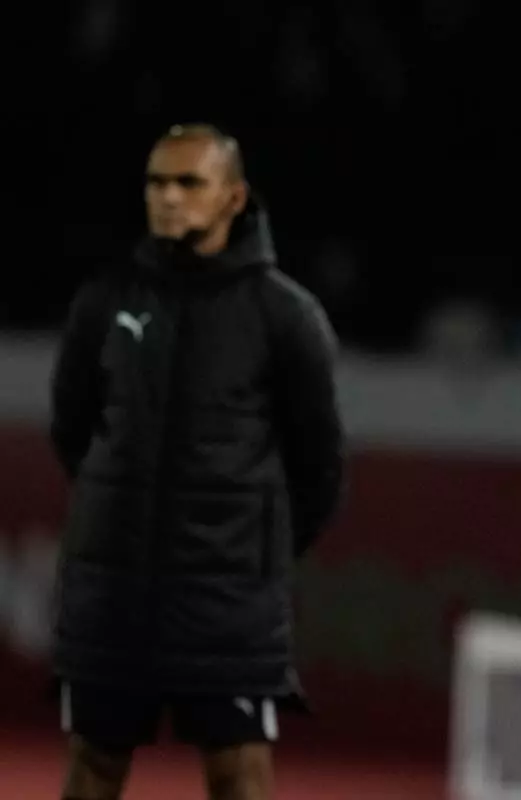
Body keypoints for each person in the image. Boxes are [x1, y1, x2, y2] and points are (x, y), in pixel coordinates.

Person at [49, 123, 345, 800]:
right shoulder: (105, 301)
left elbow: (320, 467)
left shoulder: (286, 316)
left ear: (234, 197)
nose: (168, 197)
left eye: (189, 183)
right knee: (92, 767)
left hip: (228, 605)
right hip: (113, 599)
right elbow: (74, 432)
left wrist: (252, 548)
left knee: (239, 774)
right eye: (156, 182)